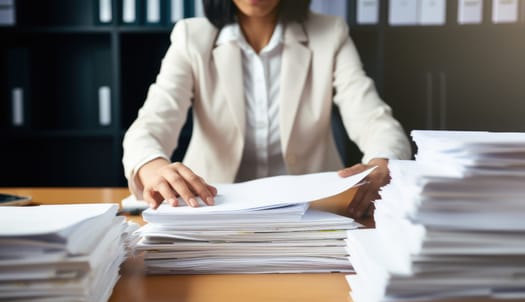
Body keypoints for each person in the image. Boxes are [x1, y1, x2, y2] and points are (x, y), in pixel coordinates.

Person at [122, 0, 411, 219]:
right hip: (214, 210)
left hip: (312, 211)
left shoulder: (330, 33)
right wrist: (152, 167)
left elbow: (372, 118)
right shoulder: (191, 37)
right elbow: (151, 124)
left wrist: (385, 160)